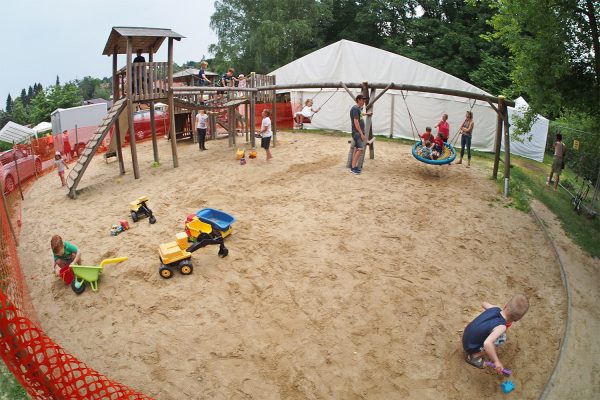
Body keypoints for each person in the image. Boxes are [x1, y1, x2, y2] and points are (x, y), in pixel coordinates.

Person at [462, 294, 529, 374]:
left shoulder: (495, 308)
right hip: (470, 346)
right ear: (517, 319)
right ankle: (474, 357)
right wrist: (496, 361)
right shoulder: (502, 327)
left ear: (506, 305)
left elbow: (484, 303)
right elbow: (487, 343)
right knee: (501, 338)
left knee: (486, 321)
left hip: (466, 335)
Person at [349, 94, 372, 175]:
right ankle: (353, 168)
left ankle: (353, 166)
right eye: (362, 100)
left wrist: (367, 114)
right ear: (358, 100)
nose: (364, 101)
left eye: (364, 100)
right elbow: (356, 122)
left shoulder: (358, 109)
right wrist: (361, 134)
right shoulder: (355, 108)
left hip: (358, 132)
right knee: (360, 149)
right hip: (357, 133)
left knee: (356, 149)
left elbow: (360, 116)